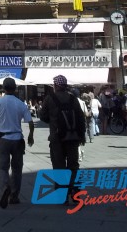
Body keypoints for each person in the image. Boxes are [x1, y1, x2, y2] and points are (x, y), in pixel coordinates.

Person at [0, 76, 34, 208]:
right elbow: (31, 122)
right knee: (17, 169)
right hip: (17, 139)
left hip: (3, 138)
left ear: (3, 88)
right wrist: (30, 136)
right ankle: (14, 196)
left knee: (3, 168)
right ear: (15, 88)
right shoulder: (20, 103)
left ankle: (4, 188)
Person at [39, 75, 85, 203]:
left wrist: (53, 121)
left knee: (59, 165)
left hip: (57, 138)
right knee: (73, 165)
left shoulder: (50, 98)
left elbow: (42, 116)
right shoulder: (73, 99)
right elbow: (80, 118)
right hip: (73, 137)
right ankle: (75, 192)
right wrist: (81, 135)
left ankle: (63, 195)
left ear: (56, 85)